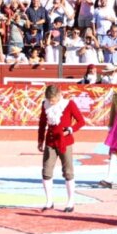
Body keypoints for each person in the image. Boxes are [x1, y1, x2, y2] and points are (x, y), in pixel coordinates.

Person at [37, 84, 86, 212]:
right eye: (50, 100)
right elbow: (42, 123)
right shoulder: (45, 104)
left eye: (53, 100)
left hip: (65, 142)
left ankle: (70, 201)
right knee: (46, 171)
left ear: (59, 95)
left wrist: (70, 129)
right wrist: (40, 140)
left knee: (68, 172)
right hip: (50, 142)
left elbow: (81, 121)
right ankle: (49, 201)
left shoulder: (68, 104)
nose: (52, 102)